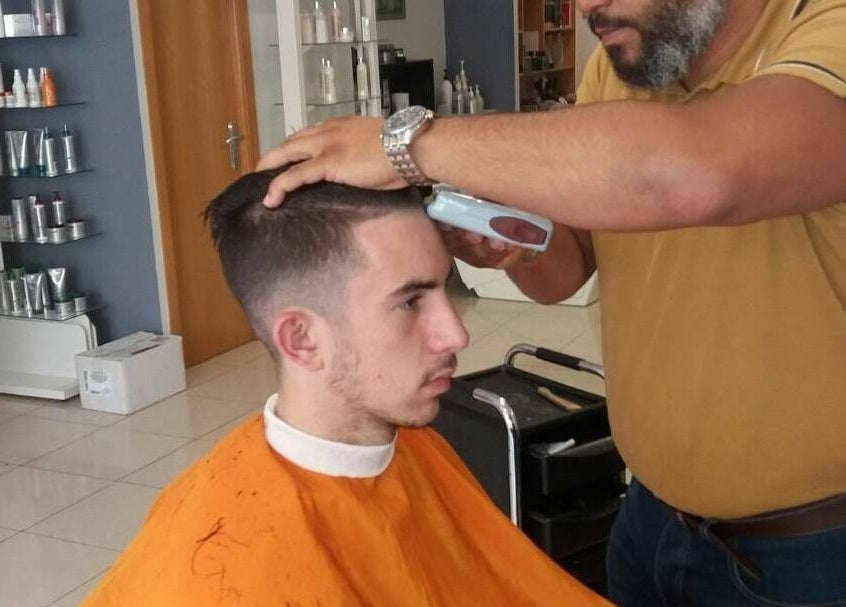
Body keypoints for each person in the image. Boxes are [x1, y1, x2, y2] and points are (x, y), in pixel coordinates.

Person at [256, 0, 846, 604]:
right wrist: (512, 245)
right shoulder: (625, 69)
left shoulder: (829, 33)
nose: (586, 5)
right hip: (650, 518)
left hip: (813, 552)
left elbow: (698, 173)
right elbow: (564, 271)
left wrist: (408, 144)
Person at [81, 170, 607, 606]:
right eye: (409, 303)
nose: (457, 334)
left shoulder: (416, 447)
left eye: (442, 288)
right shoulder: (228, 569)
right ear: (303, 339)